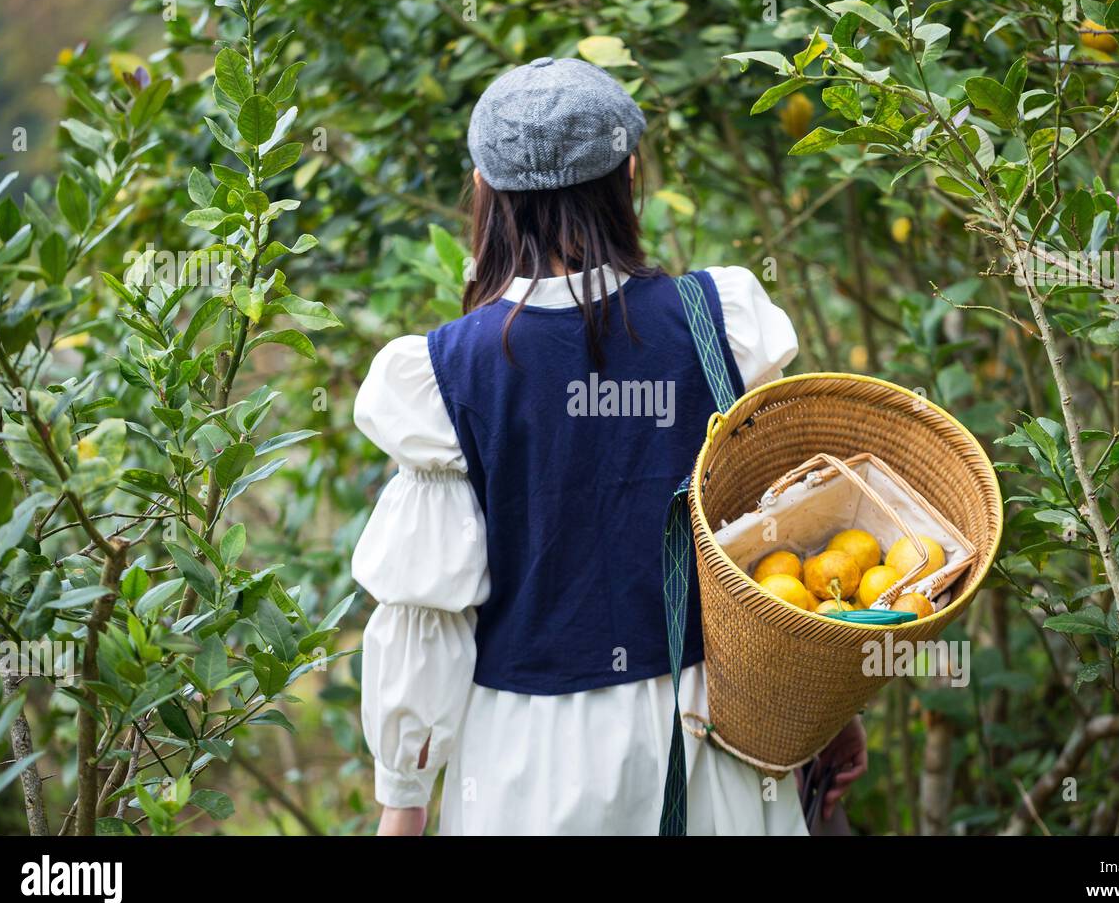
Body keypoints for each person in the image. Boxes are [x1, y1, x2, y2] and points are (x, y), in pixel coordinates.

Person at [353, 56, 866, 835]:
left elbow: (429, 615)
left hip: (524, 772)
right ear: (631, 176)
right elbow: (785, 546)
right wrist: (818, 707)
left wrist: (402, 807)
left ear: (486, 193)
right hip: (716, 748)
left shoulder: (445, 375)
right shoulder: (720, 324)